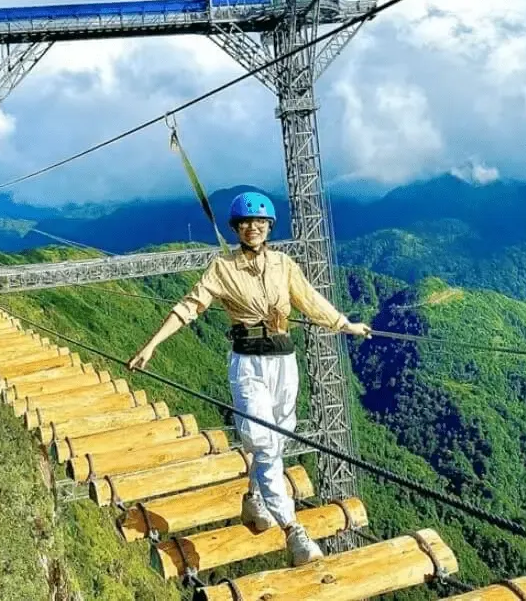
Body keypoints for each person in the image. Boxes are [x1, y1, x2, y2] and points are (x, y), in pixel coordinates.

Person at [128, 191, 372, 566]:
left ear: (269, 227)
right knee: (263, 440)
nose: (253, 227)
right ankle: (293, 530)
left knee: (279, 437)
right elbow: (189, 307)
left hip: (283, 362)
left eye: (259, 222)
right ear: (236, 228)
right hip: (247, 364)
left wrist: (345, 325)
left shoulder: (283, 265)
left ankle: (254, 497)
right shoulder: (222, 269)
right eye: (245, 222)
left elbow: (310, 300)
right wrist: (152, 345)